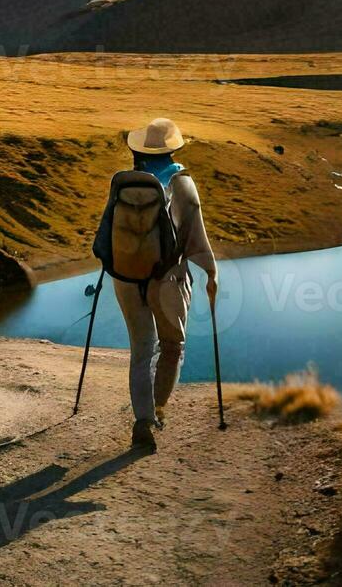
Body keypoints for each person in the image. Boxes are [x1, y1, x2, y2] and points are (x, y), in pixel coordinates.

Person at [114, 117, 218, 452]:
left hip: (127, 277)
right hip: (168, 279)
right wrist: (212, 273)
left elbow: (109, 232)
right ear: (172, 148)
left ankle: (141, 421)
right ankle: (158, 410)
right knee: (172, 348)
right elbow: (195, 238)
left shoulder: (125, 182)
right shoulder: (183, 182)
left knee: (141, 351)